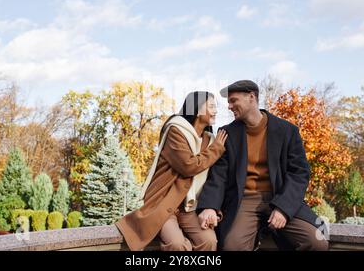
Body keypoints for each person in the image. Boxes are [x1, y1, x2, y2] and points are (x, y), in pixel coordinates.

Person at [197, 80, 329, 251]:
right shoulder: (227, 133)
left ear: (251, 97)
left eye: (233, 100)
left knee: (317, 242)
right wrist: (209, 206)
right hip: (243, 200)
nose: (229, 106)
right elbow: (218, 175)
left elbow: (299, 173)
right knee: (232, 246)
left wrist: (283, 208)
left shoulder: (287, 131)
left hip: (280, 196)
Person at [116, 91, 228, 251]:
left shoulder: (210, 140)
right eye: (211, 106)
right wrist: (216, 149)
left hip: (191, 207)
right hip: (164, 202)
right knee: (177, 244)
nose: (215, 111)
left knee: (209, 240)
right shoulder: (176, 132)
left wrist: (212, 208)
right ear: (196, 109)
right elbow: (188, 166)